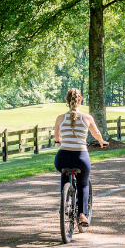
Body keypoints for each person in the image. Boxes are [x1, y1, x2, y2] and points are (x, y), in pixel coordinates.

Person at [54, 88, 107, 227]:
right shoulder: (87, 118)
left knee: (65, 173)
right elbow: (96, 134)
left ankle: (64, 205)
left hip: (62, 157)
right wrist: (102, 142)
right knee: (83, 183)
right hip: (81, 157)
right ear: (80, 100)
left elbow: (57, 137)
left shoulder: (60, 118)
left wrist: (60, 140)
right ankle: (82, 215)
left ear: (67, 101)